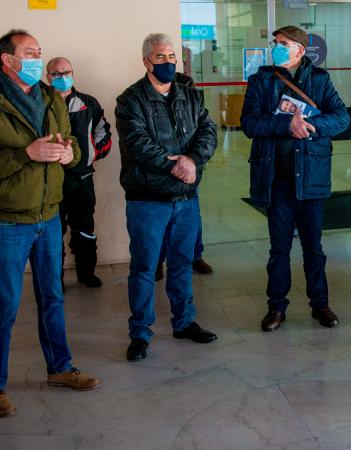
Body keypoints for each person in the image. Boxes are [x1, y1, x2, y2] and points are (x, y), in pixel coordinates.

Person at [0, 29, 100, 418]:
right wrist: (27, 153)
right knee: (4, 304)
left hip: (49, 216)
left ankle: (60, 368)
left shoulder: (51, 97)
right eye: (30, 52)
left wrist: (64, 155)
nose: (38, 57)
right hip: (8, 223)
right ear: (8, 59)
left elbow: (71, 147)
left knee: (52, 297)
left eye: (39, 50)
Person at [116, 33, 218, 362]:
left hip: (186, 199)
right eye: (161, 57)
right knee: (145, 268)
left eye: (172, 56)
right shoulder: (130, 100)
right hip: (148, 200)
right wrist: (177, 165)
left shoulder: (190, 96)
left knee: (181, 264)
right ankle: (141, 333)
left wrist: (193, 160)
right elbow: (139, 145)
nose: (169, 62)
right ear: (146, 61)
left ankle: (184, 322)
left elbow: (208, 131)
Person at [241, 25, 350, 332]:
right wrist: (286, 124)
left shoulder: (319, 80)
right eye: (275, 42)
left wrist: (310, 123)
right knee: (279, 250)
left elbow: (341, 118)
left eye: (283, 44)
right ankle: (276, 307)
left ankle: (321, 304)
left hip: (311, 179)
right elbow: (249, 122)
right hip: (275, 179)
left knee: (313, 248)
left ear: (300, 51)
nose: (276, 47)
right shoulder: (261, 80)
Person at [45, 57, 112, 288]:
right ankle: (56, 280)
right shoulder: (41, 104)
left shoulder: (88, 103)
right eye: (56, 73)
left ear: (73, 73)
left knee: (85, 228)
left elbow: (104, 132)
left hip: (82, 179)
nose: (62, 77)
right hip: (51, 180)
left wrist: (90, 156)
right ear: (47, 77)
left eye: (67, 72)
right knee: (53, 232)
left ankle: (86, 273)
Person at [154, 72, 213, 282]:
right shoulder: (152, 104)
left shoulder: (194, 104)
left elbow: (206, 133)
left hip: (191, 175)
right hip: (165, 174)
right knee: (163, 222)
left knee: (192, 219)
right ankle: (158, 262)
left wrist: (193, 160)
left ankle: (196, 256)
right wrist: (173, 163)